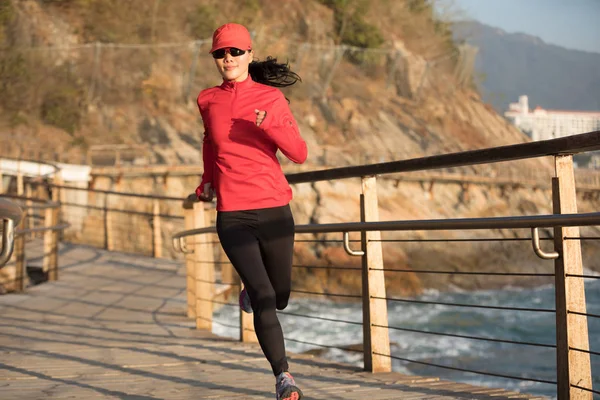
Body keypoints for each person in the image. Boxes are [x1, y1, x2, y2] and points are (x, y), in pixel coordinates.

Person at [195, 22, 307, 400]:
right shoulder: (207, 99)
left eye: (235, 52)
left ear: (249, 54)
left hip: (274, 207)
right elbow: (211, 144)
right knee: (262, 296)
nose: (228, 58)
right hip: (233, 213)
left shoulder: (271, 99)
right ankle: (283, 378)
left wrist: (269, 124)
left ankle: (253, 289)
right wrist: (207, 179)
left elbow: (299, 152)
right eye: (220, 53)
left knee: (279, 296)